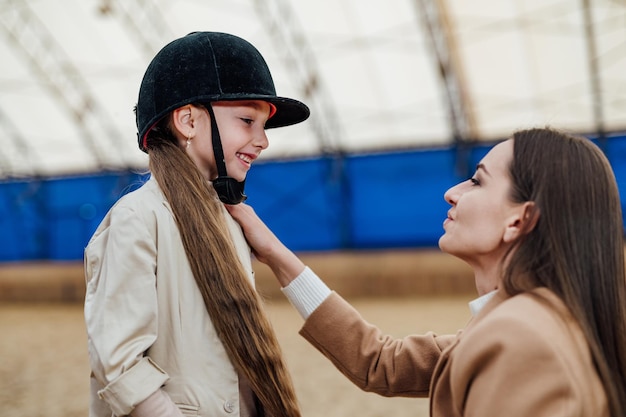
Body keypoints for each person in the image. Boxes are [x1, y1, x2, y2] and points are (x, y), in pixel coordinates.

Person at [226, 127, 626, 417]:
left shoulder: (519, 338)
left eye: (477, 181)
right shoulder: (528, 322)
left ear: (519, 222)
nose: (452, 191)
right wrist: (277, 254)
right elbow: (380, 363)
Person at [83, 32, 309, 417]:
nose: (263, 141)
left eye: (263, 126)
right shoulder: (137, 218)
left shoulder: (229, 219)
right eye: (247, 120)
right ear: (188, 120)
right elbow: (120, 366)